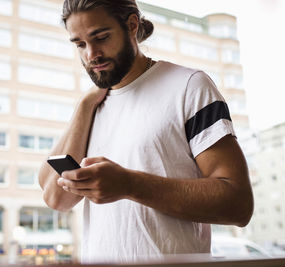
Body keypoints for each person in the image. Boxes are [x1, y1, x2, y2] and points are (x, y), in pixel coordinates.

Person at [39, 0, 254, 263]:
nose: (91, 55)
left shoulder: (188, 86)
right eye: (80, 44)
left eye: (102, 37)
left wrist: (129, 184)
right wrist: (84, 106)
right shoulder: (92, 105)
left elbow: (238, 204)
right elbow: (55, 198)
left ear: (132, 25)